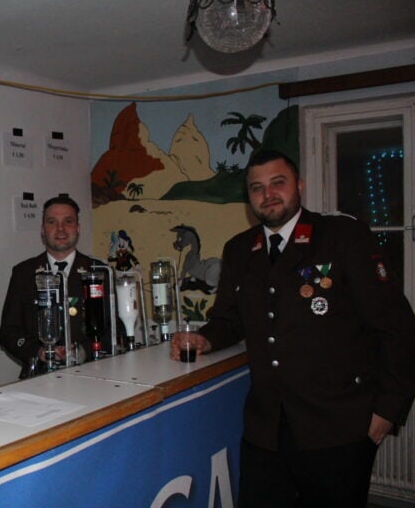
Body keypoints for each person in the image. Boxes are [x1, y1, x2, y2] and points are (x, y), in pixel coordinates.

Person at [170, 149, 415, 507]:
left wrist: (388, 409)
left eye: (277, 183)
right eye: (257, 188)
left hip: (339, 425)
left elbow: (396, 326)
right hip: (266, 428)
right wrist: (205, 338)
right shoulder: (240, 249)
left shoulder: (342, 236)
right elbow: (230, 319)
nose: (267, 194)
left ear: (299, 186)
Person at [0, 196, 104, 377]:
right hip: (40, 376)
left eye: (68, 221)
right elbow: (8, 332)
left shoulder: (98, 271)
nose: (60, 229)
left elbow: (115, 328)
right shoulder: (24, 273)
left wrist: (83, 351)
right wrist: (39, 351)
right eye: (52, 222)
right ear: (42, 229)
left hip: (91, 374)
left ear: (78, 228)